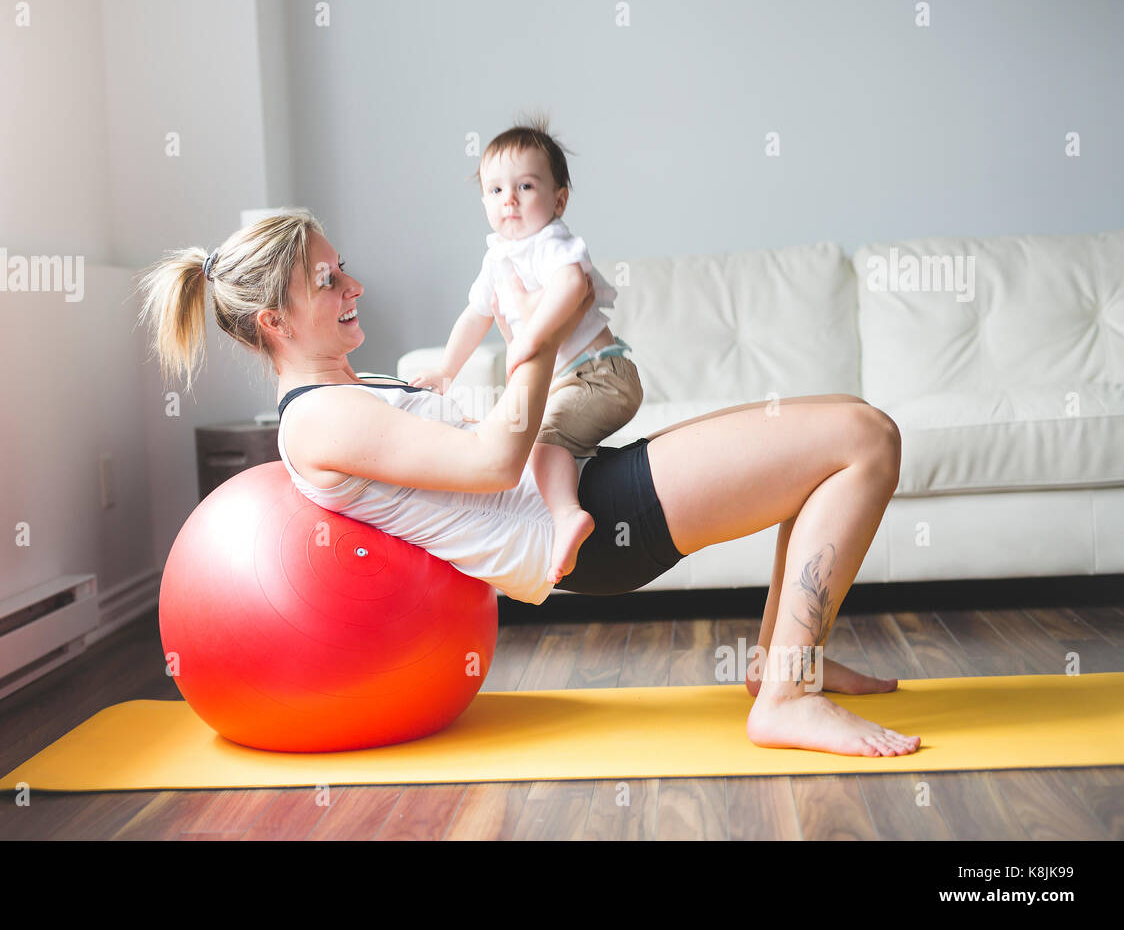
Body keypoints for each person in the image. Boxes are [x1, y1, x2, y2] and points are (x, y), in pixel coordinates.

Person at [136, 210, 920, 758]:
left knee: (843, 429)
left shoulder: (352, 390)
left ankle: (788, 668)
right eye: (328, 280)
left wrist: (535, 342)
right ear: (275, 321)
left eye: (343, 271)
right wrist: (536, 335)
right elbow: (491, 465)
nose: (353, 287)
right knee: (862, 439)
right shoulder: (315, 421)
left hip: (582, 487)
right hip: (581, 527)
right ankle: (784, 699)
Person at [409, 117, 643, 585]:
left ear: (559, 200)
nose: (509, 199)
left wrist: (532, 337)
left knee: (544, 442)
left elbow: (572, 283)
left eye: (525, 185)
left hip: (601, 374)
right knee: (529, 439)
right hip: (573, 381)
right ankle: (577, 503)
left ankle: (566, 516)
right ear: (483, 203)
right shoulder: (497, 257)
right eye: (495, 190)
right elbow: (475, 315)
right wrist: (446, 371)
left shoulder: (550, 243)